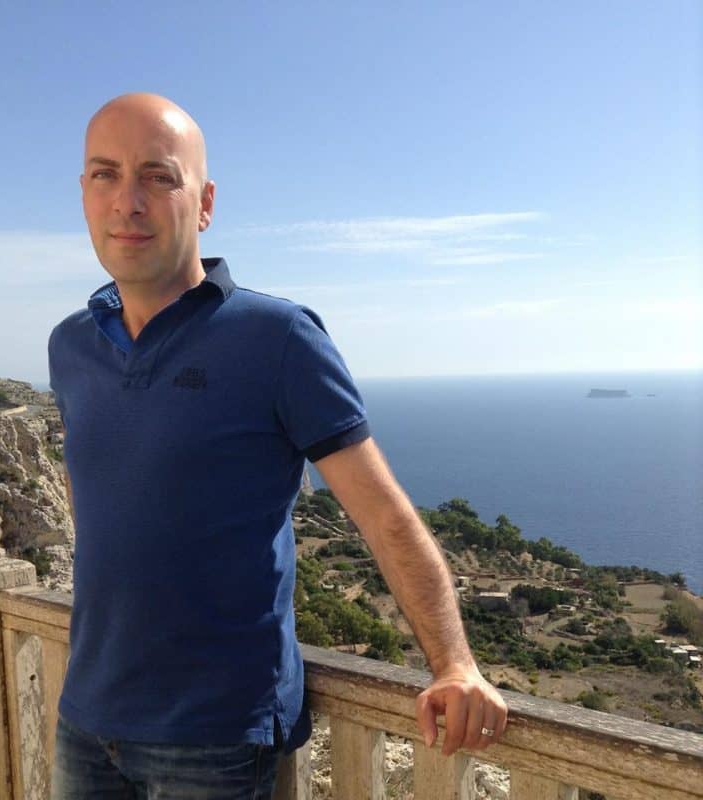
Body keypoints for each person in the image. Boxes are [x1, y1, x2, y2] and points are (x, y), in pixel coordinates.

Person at [48, 92, 507, 799]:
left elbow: (382, 513)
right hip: (85, 720)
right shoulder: (71, 345)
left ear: (205, 203)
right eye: (105, 174)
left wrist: (454, 663)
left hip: (218, 737)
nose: (127, 202)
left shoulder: (277, 338)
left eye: (159, 177)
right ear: (83, 193)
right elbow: (94, 489)